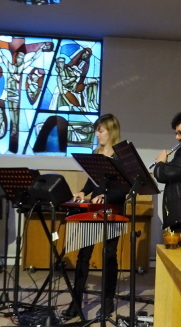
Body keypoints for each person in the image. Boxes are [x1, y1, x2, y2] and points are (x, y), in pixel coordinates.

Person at [62, 113, 127, 319]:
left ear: (111, 131)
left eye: (100, 130)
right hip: (94, 211)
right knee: (83, 256)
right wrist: (83, 191)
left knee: (109, 256)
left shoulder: (122, 156)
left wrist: (105, 196)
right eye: (97, 130)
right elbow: (92, 182)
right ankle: (76, 302)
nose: (97, 134)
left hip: (113, 210)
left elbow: (124, 188)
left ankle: (107, 302)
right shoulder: (96, 153)